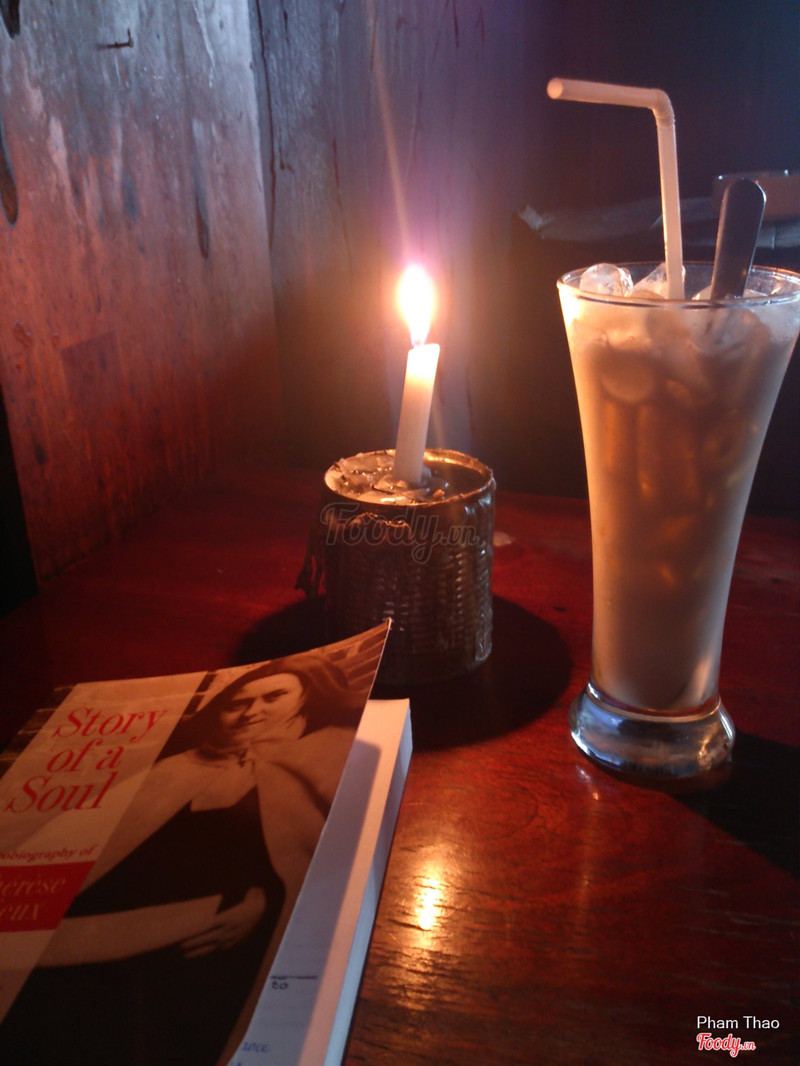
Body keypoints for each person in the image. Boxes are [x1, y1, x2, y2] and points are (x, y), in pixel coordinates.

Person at [0, 651, 366, 1066]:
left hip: (207, 951)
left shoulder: (316, 762)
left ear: (305, 700)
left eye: (273, 697)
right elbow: (108, 854)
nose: (251, 712)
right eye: (238, 703)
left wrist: (264, 903)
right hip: (102, 937)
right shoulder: (177, 768)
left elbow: (310, 868)